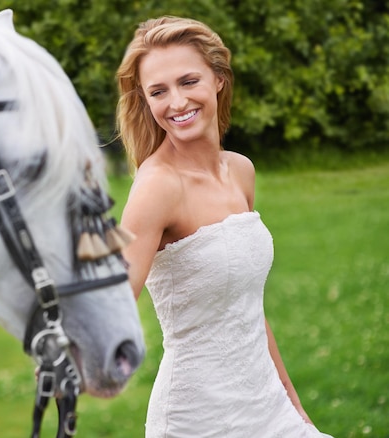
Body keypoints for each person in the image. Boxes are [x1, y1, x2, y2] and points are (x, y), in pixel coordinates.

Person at [116, 16, 333, 437]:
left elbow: (247, 306)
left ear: (217, 78)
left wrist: (292, 402)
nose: (176, 103)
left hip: (268, 405)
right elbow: (112, 298)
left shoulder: (240, 171)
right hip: (197, 419)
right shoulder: (157, 188)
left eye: (188, 81)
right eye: (158, 91)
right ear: (144, 100)